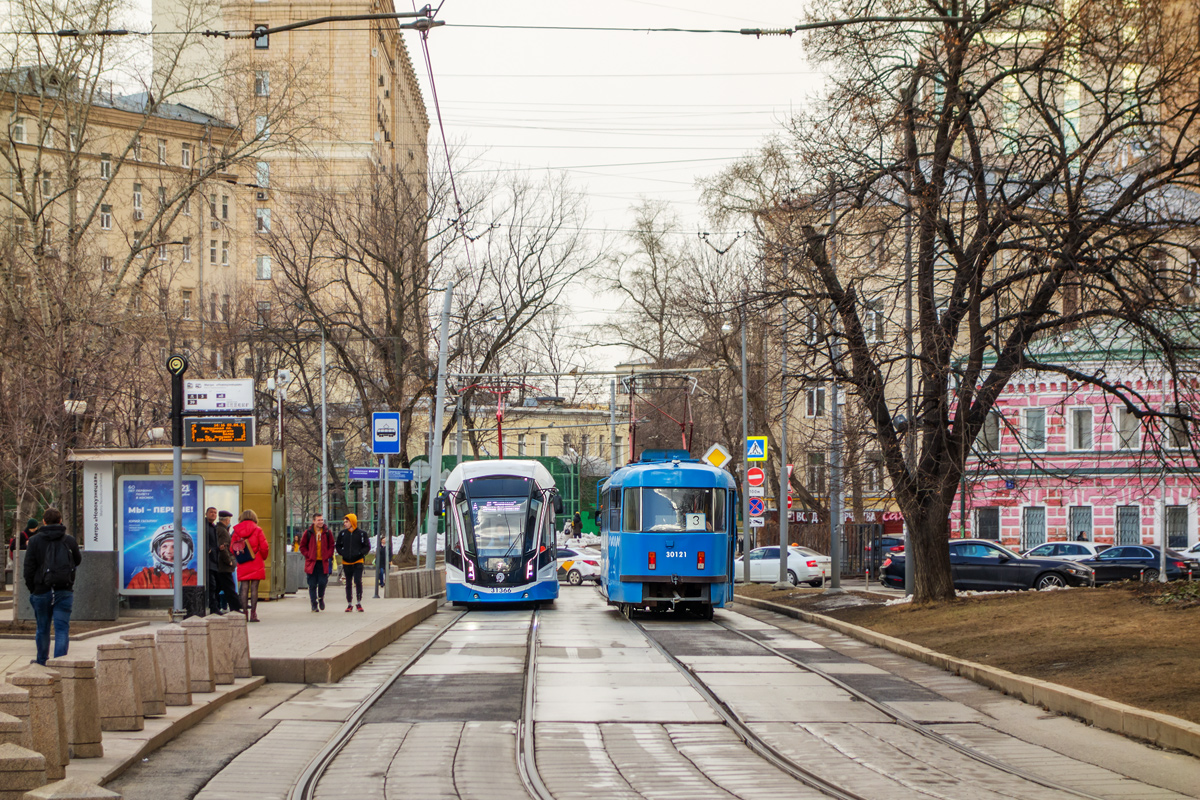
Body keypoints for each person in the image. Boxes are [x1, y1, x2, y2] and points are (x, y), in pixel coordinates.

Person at [23, 508, 82, 665]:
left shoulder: (35, 541)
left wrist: (33, 588)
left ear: (44, 521)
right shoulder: (69, 540)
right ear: (60, 520)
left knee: (42, 628)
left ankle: (42, 662)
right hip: (64, 590)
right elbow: (77, 560)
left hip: (41, 590)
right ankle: (60, 664)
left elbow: (28, 568)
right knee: (62, 629)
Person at [127, 527, 198, 589]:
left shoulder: (195, 578)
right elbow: (134, 602)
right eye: (164, 546)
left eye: (175, 546)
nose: (169, 551)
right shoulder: (144, 578)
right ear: (157, 550)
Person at [232, 509, 268, 622]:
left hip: (243, 561)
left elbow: (232, 547)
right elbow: (264, 547)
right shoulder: (258, 529)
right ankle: (253, 614)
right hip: (256, 560)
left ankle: (244, 614)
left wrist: (239, 556)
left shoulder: (236, 530)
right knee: (254, 589)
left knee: (244, 587)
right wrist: (263, 556)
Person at [299, 513, 334, 612]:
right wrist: (308, 555)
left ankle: (321, 598)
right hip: (312, 563)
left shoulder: (327, 532)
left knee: (323, 582)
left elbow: (331, 545)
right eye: (318, 520)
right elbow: (302, 546)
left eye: (322, 520)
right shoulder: (308, 533)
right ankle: (314, 604)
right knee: (312, 584)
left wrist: (328, 555)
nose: (321, 522)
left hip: (323, 562)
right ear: (314, 521)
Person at [336, 513, 369, 612]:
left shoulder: (362, 534)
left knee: (358, 581)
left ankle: (359, 602)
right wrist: (343, 553)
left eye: (347, 522)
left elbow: (367, 547)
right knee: (348, 583)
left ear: (352, 522)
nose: (345, 524)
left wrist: (359, 553)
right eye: (344, 522)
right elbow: (338, 546)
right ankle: (349, 603)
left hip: (358, 561)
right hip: (346, 562)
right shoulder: (342, 534)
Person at [211, 511, 241, 614]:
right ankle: (235, 608)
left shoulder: (218, 529)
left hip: (219, 565)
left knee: (219, 587)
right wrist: (229, 562)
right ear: (227, 520)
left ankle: (214, 607)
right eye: (229, 520)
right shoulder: (223, 531)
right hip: (224, 565)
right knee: (230, 588)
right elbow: (223, 548)